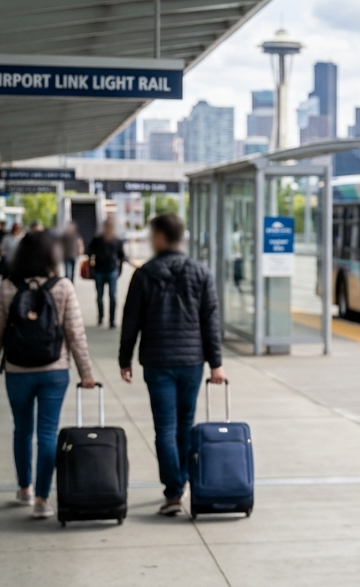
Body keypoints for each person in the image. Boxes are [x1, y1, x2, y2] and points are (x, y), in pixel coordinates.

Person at [0, 231, 95, 520]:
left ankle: (24, 489)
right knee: (47, 433)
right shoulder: (63, 287)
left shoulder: (8, 286)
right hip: (54, 370)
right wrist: (86, 373)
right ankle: (43, 500)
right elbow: (75, 334)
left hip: (17, 371)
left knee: (22, 429)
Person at [119, 214, 223, 517]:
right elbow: (210, 323)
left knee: (164, 427)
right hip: (192, 362)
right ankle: (183, 481)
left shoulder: (144, 274)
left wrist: (125, 359)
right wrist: (216, 364)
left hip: (158, 361)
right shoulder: (201, 273)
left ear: (162, 238)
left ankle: (174, 491)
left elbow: (131, 321)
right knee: (184, 425)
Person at [87, 219, 127, 326]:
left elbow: (122, 256)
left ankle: (112, 320)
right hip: (99, 270)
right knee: (100, 296)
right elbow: (89, 251)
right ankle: (101, 316)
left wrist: (120, 269)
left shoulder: (116, 240)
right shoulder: (98, 239)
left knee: (112, 296)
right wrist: (91, 262)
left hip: (112, 270)